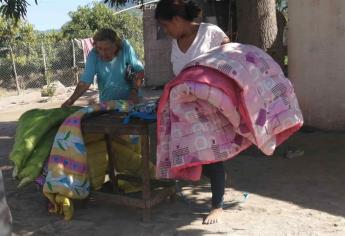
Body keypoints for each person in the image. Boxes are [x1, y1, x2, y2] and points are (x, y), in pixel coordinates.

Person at [155, 0, 230, 224]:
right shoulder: (175, 44)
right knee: (193, 154)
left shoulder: (211, 33)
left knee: (212, 156)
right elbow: (178, 74)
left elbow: (231, 59)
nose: (166, 31)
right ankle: (219, 181)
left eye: (166, 26)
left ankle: (218, 205)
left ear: (177, 20)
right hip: (186, 111)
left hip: (210, 107)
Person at [62, 28, 144, 108]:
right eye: (99, 48)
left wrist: (134, 92)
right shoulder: (93, 55)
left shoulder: (125, 47)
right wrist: (70, 101)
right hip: (107, 103)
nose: (102, 53)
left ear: (116, 45)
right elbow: (85, 82)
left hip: (131, 100)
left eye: (107, 49)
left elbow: (139, 70)